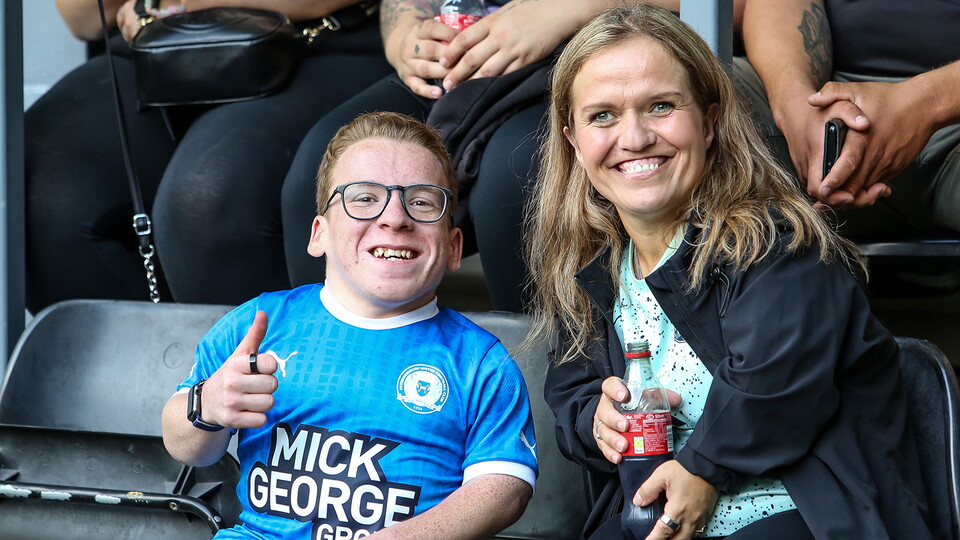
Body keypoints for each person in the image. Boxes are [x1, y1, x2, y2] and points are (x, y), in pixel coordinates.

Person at [526, 4, 932, 539]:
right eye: (602, 115)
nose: (635, 136)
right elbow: (571, 391)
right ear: (574, 141)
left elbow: (777, 385)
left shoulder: (777, 241)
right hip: (654, 514)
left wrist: (702, 468)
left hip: (803, 512)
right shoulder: (589, 272)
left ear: (710, 121)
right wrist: (594, 421)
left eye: (661, 106)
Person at [161, 111, 538, 539]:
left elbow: (506, 488)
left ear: (453, 248)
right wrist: (207, 406)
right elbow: (184, 445)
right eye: (363, 197)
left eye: (421, 201)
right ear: (318, 233)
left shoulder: (479, 361)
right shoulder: (260, 323)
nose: (395, 217)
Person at [280, 0, 745, 312]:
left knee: (515, 178)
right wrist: (405, 31)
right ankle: (330, 377)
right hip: (464, 61)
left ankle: (544, 395)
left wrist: (563, 9)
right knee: (323, 174)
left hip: (597, 51)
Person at [25, 0, 392, 312]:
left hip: (326, 41)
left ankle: (275, 382)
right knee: (40, 191)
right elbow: (83, 16)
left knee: (210, 196)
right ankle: (146, 382)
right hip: (155, 46)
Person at [735, 0, 960, 239]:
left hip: (951, 113)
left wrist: (926, 102)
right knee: (708, 95)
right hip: (824, 104)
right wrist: (794, 105)